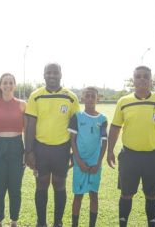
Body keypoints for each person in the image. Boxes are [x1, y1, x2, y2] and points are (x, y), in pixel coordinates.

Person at [107, 66, 155, 227]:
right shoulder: (123, 102)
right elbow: (115, 127)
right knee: (126, 194)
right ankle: (123, 223)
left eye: (145, 76)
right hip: (129, 156)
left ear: (151, 79)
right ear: (134, 80)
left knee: (152, 195)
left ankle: (151, 223)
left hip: (153, 156)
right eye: (138, 76)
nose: (142, 79)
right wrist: (109, 150)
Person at [25, 63, 80, 227]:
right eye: (48, 73)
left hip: (62, 149)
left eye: (55, 72)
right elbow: (30, 125)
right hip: (40, 148)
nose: (52, 75)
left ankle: (58, 222)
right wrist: (29, 151)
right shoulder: (36, 96)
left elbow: (75, 128)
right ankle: (41, 222)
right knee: (41, 183)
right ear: (43, 75)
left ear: (61, 74)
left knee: (59, 184)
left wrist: (73, 151)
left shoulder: (70, 97)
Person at [0, 73, 26, 227]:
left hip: (17, 147)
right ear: (0, 85)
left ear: (14, 85)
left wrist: (27, 153)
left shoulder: (22, 104)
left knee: (15, 189)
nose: (8, 85)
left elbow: (27, 131)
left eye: (11, 82)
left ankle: (14, 221)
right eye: (5, 83)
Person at [68, 87, 107, 227]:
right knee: (78, 196)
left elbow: (104, 142)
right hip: (80, 163)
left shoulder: (102, 119)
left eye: (93, 96)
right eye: (87, 96)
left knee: (93, 195)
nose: (90, 99)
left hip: (95, 164)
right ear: (83, 98)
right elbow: (72, 140)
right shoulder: (77, 117)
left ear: (98, 99)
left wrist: (98, 163)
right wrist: (78, 160)